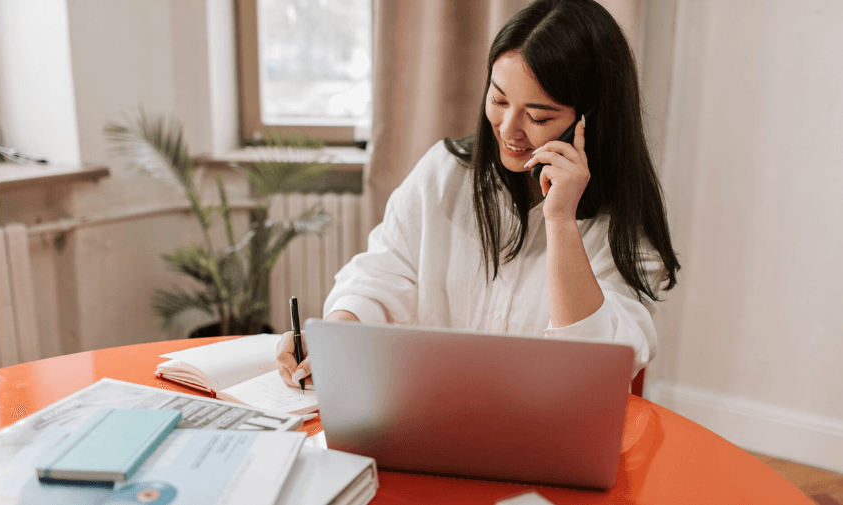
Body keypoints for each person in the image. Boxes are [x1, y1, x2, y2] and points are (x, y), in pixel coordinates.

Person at [276, 0, 680, 389]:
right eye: (499, 99)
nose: (507, 128)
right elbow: (382, 272)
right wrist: (337, 336)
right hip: (429, 415)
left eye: (538, 116)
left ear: (590, 121)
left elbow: (595, 369)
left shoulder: (626, 223)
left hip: (545, 438)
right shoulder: (445, 172)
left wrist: (560, 223)